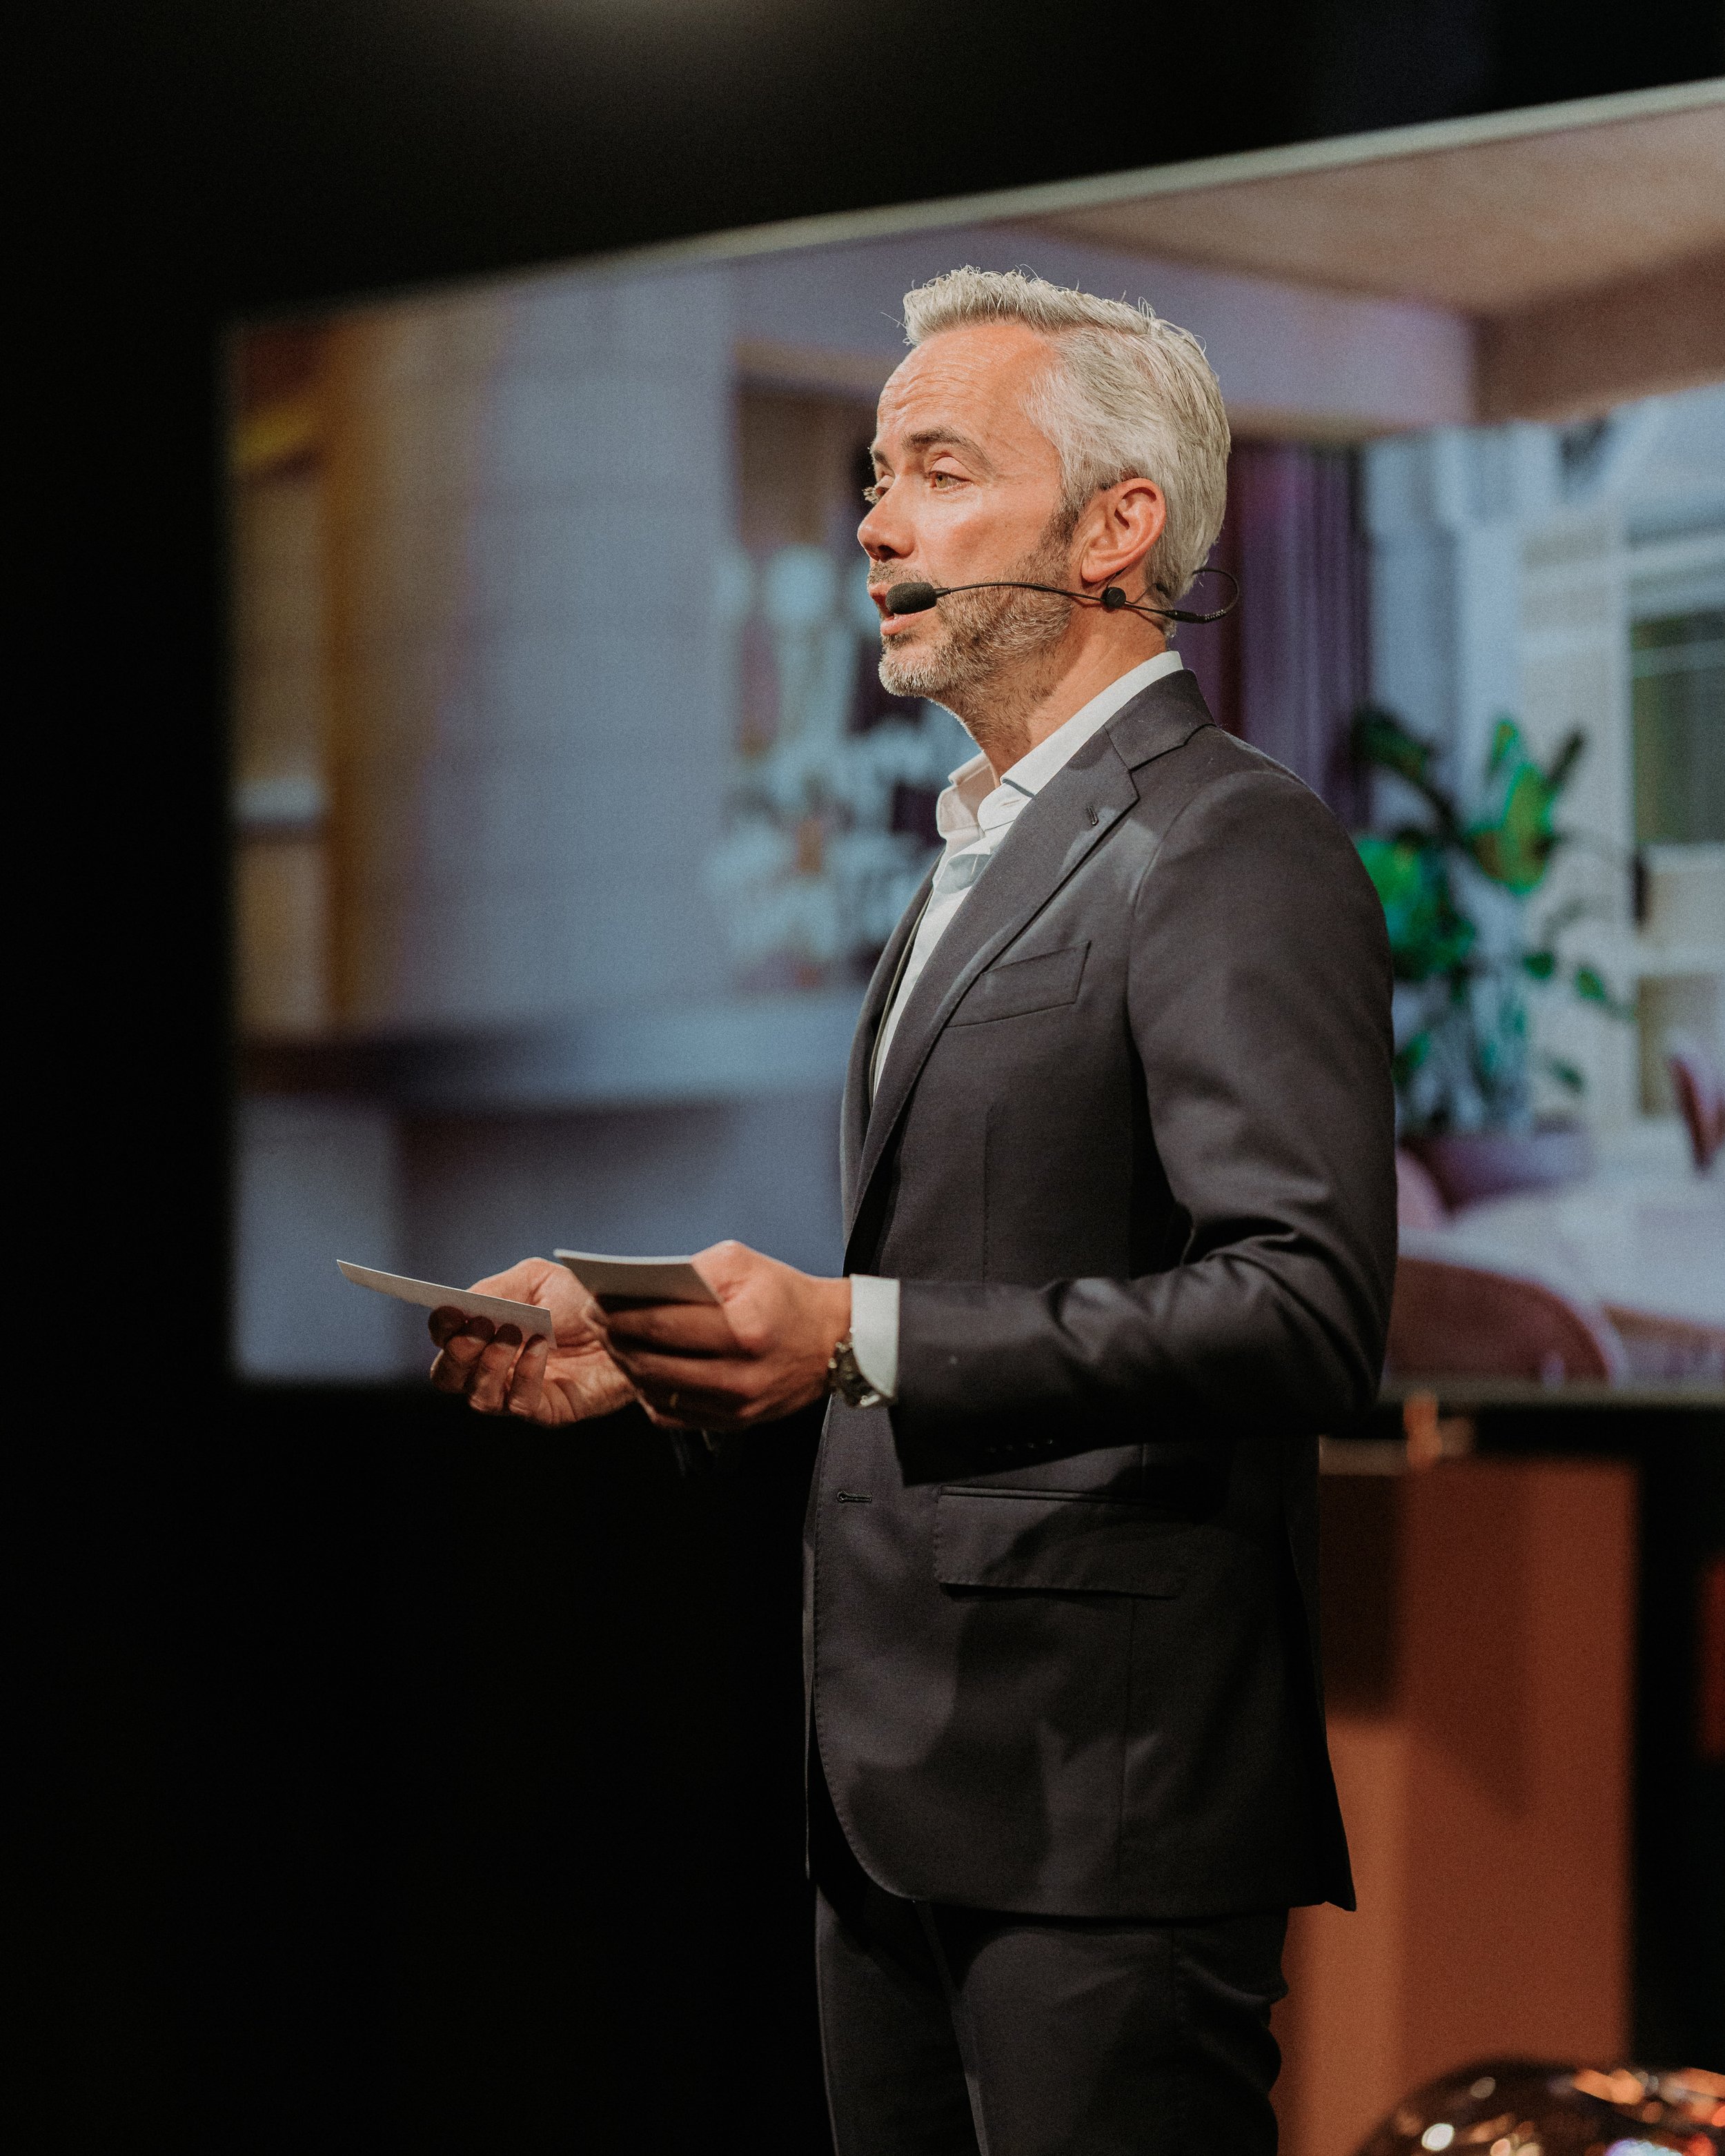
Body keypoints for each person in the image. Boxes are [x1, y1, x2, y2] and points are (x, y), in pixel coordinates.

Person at [427, 268, 1397, 2156]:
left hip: (1098, 1801)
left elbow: (1303, 1304)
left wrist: (852, 1331)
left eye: (938, 470)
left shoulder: (1226, 839)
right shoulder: (978, 848)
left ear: (1117, 529)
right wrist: (663, 1353)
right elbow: (965, 1270)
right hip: (899, 1774)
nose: (874, 522)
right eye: (875, 474)